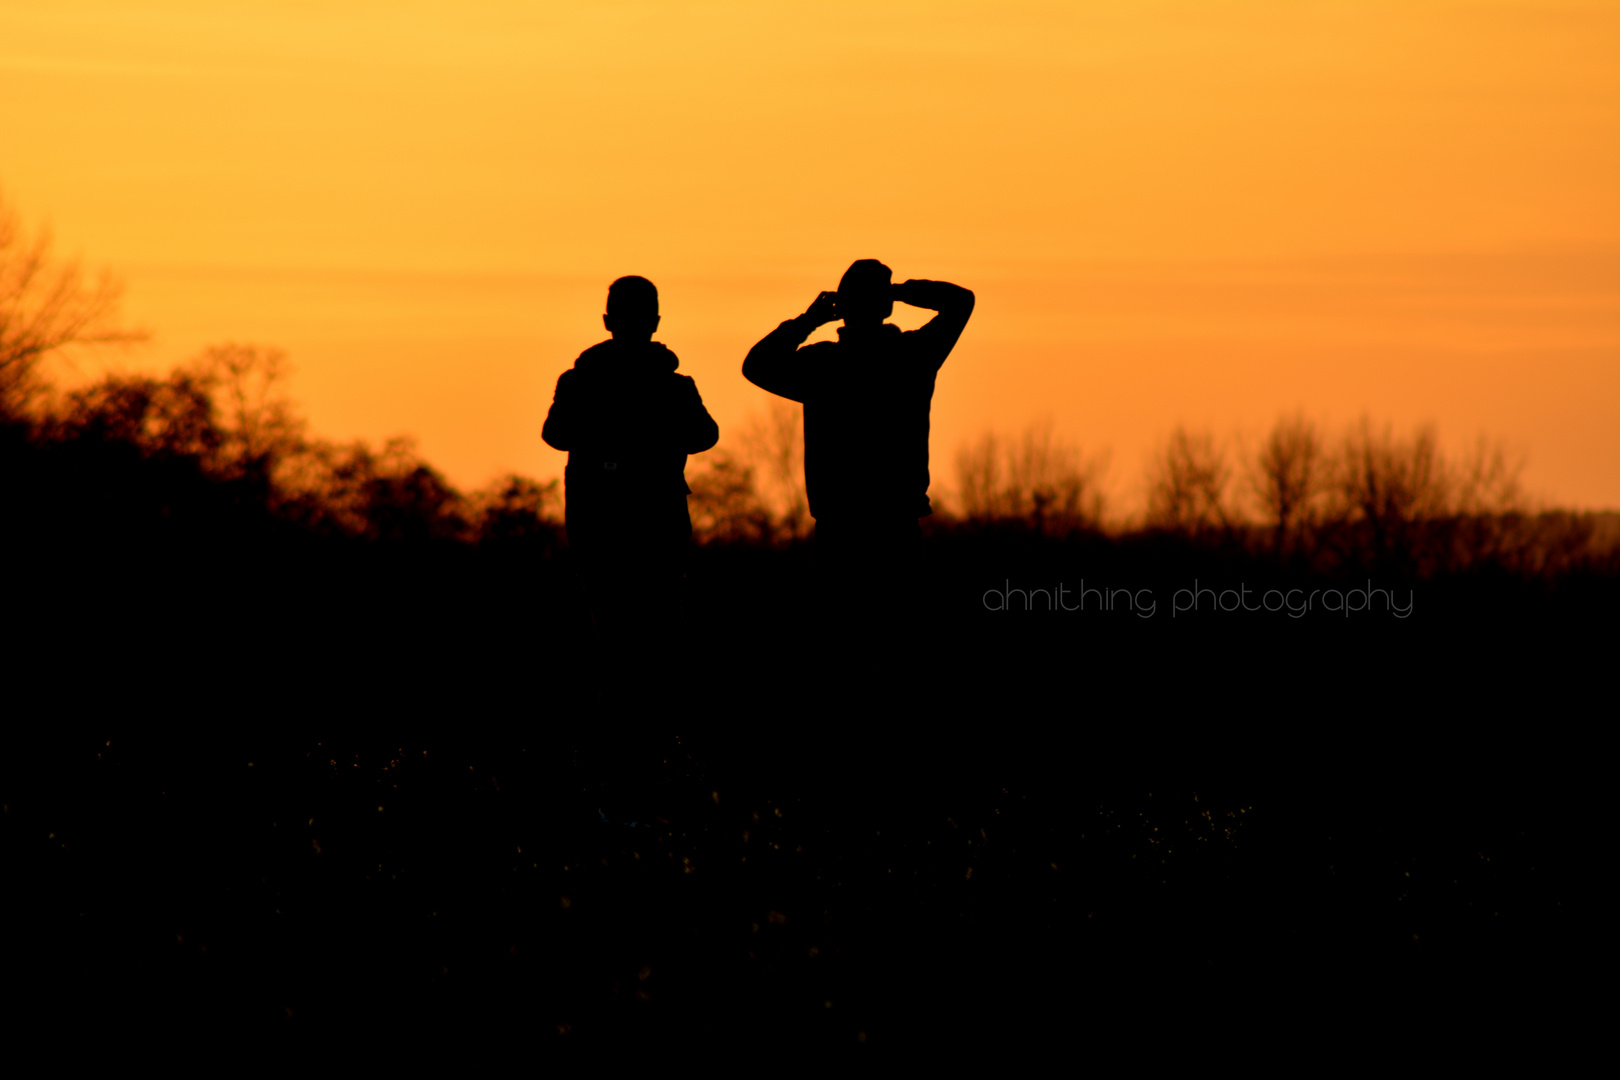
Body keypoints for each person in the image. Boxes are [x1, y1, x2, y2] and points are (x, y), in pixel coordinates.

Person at [742, 260, 973, 650]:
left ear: (842, 307)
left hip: (839, 530)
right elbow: (960, 301)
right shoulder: (913, 356)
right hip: (895, 527)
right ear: (885, 308)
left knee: (838, 643)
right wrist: (899, 291)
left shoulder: (821, 365)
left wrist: (808, 320)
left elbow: (757, 364)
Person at [542, 275, 719, 702]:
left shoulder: (578, 382)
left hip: (599, 521)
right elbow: (704, 436)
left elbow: (556, 434)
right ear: (655, 322)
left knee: (612, 626)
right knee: (659, 625)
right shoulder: (675, 386)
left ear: (607, 321)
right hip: (655, 520)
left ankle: (625, 718)